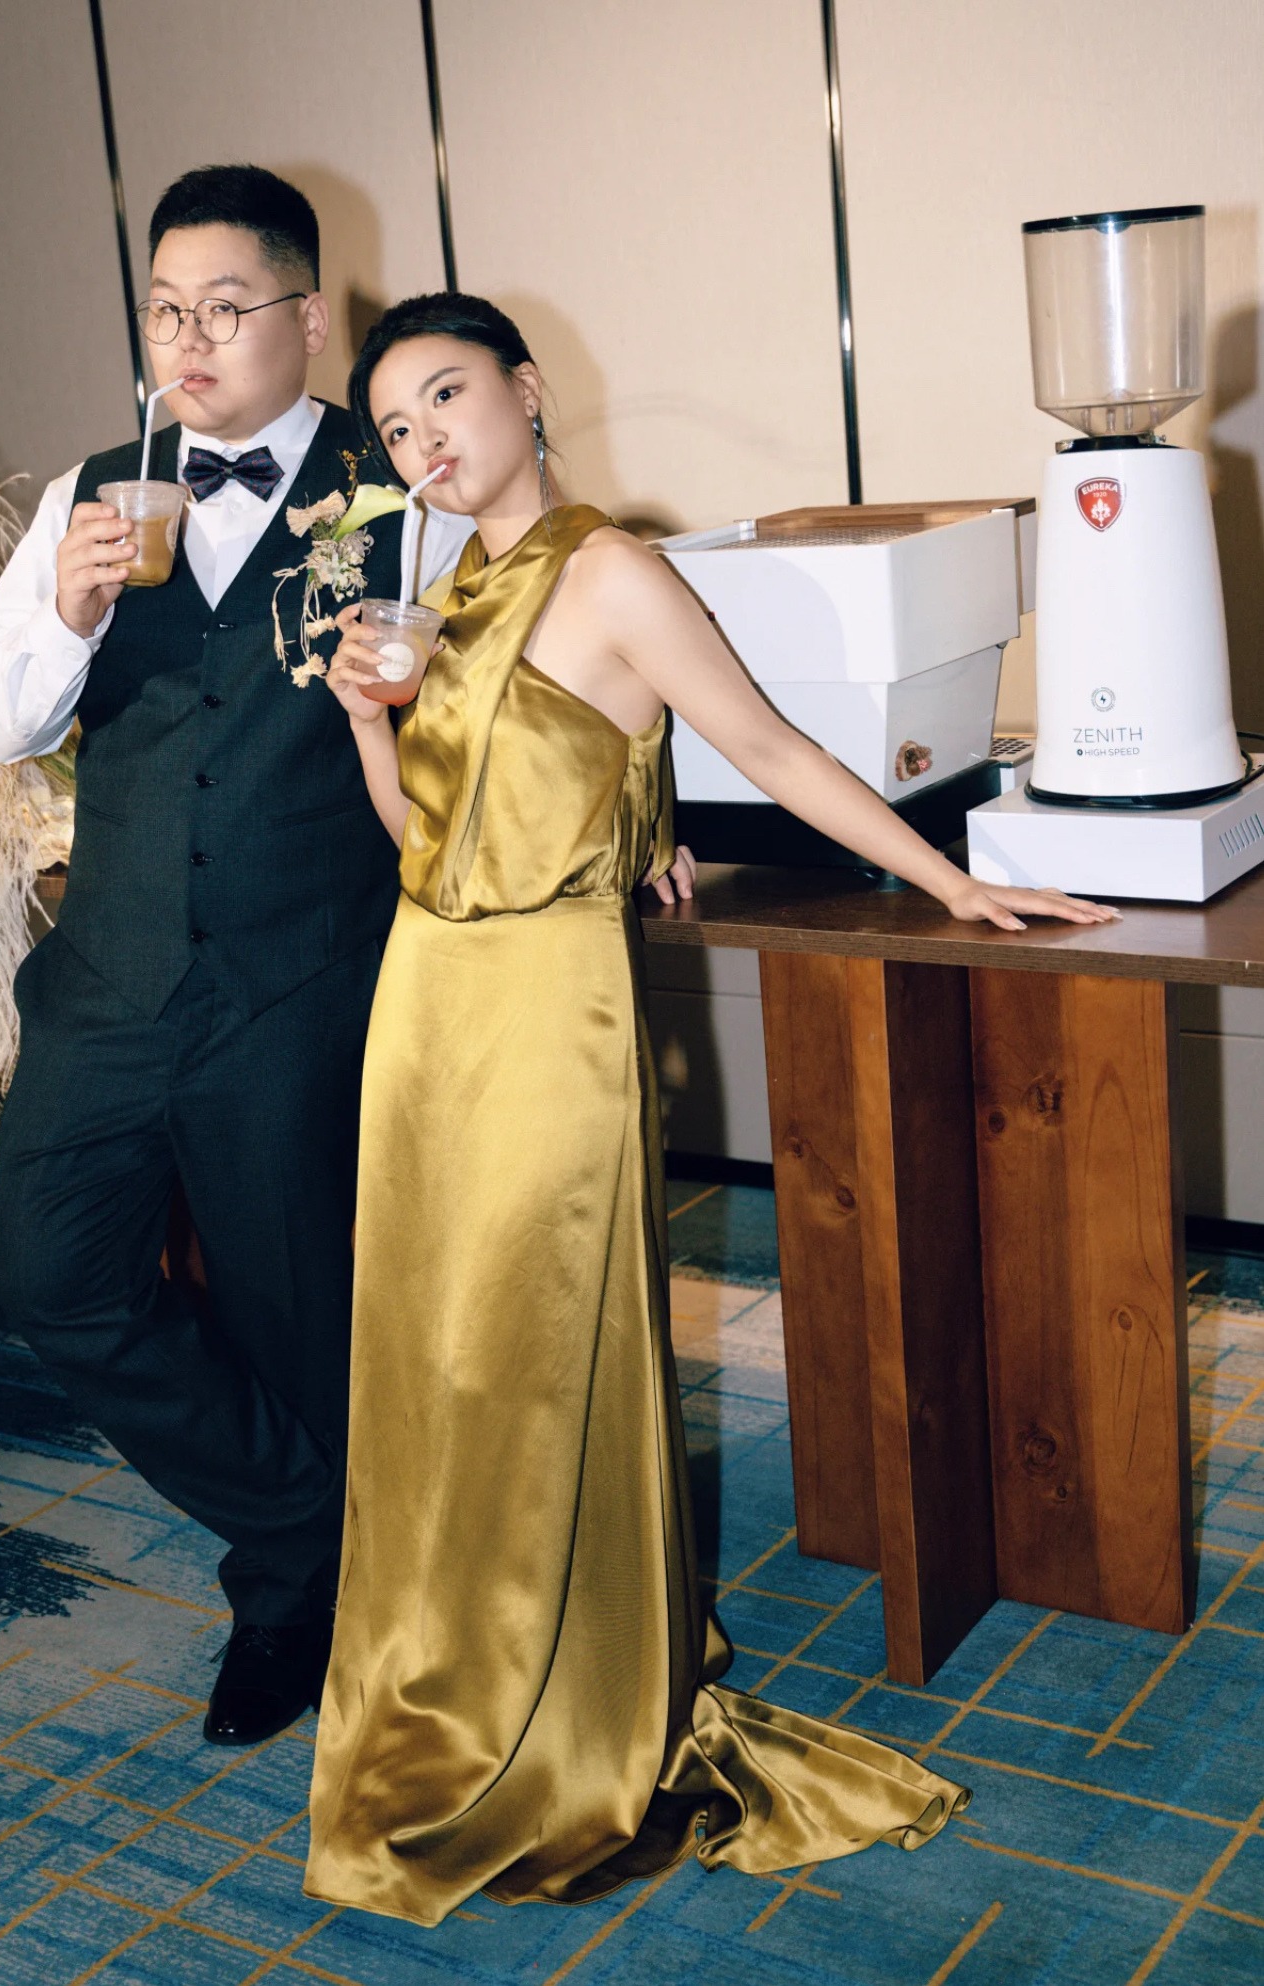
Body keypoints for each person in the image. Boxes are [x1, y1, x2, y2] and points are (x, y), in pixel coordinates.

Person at [304, 292, 1118, 1926]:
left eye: (447, 395)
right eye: (395, 426)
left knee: (530, 1356)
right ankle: (452, 1674)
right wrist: (363, 724)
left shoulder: (611, 571)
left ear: (530, 389)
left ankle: (563, 1706)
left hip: (547, 1015)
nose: (425, 441)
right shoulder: (444, 594)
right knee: (432, 1360)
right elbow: (423, 837)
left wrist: (955, 882)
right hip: (425, 1005)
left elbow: (771, 744)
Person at [0, 167, 479, 1748]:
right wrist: (64, 613)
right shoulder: (91, 493)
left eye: (226, 309)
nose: (187, 341)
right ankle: (318, 1520)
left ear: (307, 320)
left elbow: (511, 698)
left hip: (300, 983)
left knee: (299, 1307)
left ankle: (296, 1597)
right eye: (165, 311)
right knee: (54, 1273)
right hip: (111, 984)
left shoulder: (401, 496)